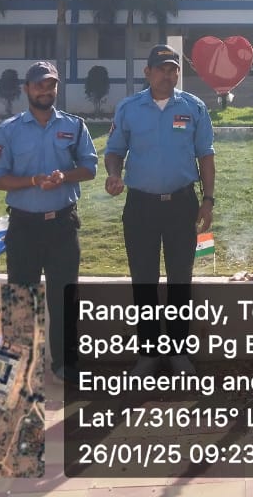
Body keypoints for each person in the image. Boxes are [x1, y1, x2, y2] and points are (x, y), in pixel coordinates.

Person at [104, 44, 215, 377]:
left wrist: (208, 200)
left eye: (173, 69)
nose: (168, 75)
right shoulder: (129, 108)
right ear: (148, 72)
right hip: (141, 206)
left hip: (182, 205)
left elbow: (206, 156)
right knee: (144, 280)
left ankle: (179, 352)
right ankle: (149, 354)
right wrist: (114, 174)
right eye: (161, 69)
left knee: (181, 279)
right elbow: (114, 151)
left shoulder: (194, 107)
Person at [0, 60, 97, 383]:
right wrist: (33, 181)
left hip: (62, 225)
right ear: (27, 89)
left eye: (51, 85)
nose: (45, 90)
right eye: (39, 85)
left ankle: (65, 363)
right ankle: (20, 365)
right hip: (24, 227)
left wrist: (65, 176)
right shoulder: (9, 130)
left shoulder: (74, 126)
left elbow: (90, 168)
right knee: (22, 296)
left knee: (65, 297)